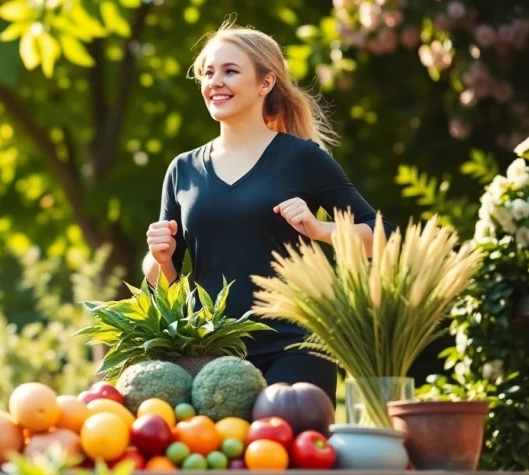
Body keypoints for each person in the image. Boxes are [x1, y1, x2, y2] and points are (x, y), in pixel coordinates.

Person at [143, 22, 392, 401]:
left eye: (230, 71)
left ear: (266, 83)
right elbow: (163, 285)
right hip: (212, 354)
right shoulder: (183, 170)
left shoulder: (302, 158)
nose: (215, 82)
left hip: (294, 347)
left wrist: (321, 230)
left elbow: (382, 239)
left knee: (279, 445)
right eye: (208, 73)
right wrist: (159, 258)